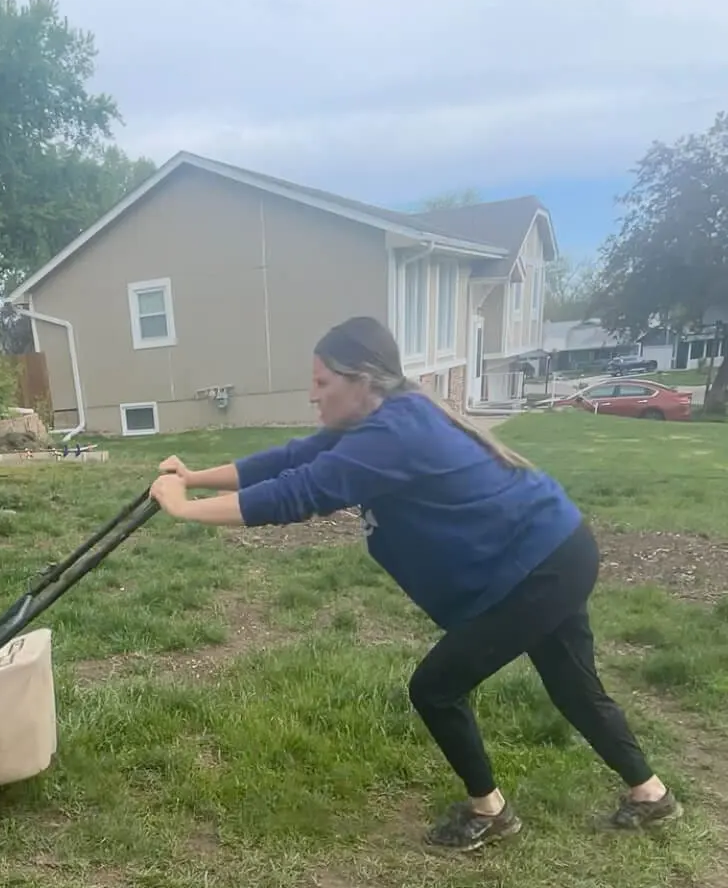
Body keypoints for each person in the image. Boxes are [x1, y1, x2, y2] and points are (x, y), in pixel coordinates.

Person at [148, 315, 679, 850]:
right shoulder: (383, 419)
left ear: (362, 380)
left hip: (539, 565)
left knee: (436, 687)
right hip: (553, 548)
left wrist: (186, 511)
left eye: (323, 383)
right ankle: (651, 795)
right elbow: (292, 459)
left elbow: (296, 493)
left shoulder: (394, 435)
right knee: (570, 683)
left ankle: (488, 811)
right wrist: (192, 479)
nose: (313, 395)